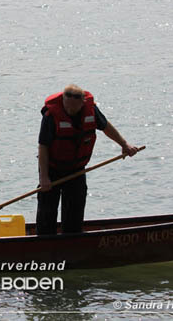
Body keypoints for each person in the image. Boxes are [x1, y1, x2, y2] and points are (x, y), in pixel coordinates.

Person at [36, 84, 138, 235]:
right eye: (67, 108)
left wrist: (124, 144)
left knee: (74, 214)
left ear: (82, 103)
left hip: (76, 170)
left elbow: (106, 127)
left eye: (73, 109)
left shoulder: (91, 110)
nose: (69, 112)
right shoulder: (52, 115)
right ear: (63, 100)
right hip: (52, 169)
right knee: (47, 212)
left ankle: (72, 244)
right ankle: (44, 245)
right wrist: (44, 177)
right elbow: (43, 147)